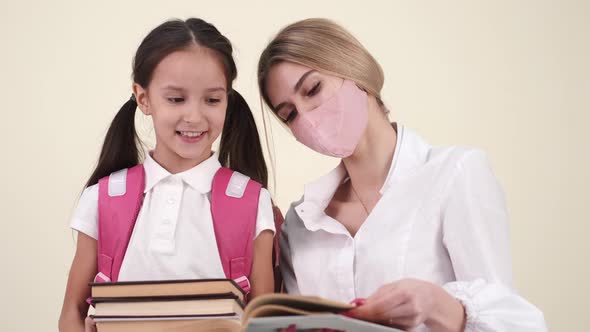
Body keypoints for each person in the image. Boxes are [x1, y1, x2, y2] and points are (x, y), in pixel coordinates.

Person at [257, 18, 546, 331]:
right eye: (290, 114)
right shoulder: (301, 225)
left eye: (312, 89)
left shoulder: (456, 175)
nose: (307, 118)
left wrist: (436, 303)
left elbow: (510, 321)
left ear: (353, 69)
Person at [59, 18, 276, 332]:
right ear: (143, 98)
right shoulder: (103, 198)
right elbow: (71, 312)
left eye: (213, 99)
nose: (194, 116)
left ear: (227, 99)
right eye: (176, 99)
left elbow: (264, 319)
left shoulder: (252, 201)